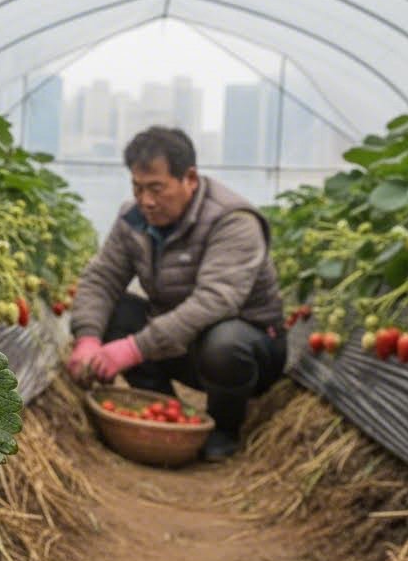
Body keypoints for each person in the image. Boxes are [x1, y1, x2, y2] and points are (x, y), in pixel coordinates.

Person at [66, 126, 287, 461]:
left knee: (225, 342)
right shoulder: (134, 218)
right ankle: (164, 414)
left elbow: (216, 301)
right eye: (138, 188)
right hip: (181, 341)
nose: (146, 201)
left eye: (157, 188)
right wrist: (87, 338)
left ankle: (224, 431)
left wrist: (134, 348)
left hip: (248, 350)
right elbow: (102, 278)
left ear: (190, 178)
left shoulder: (234, 221)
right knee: (115, 313)